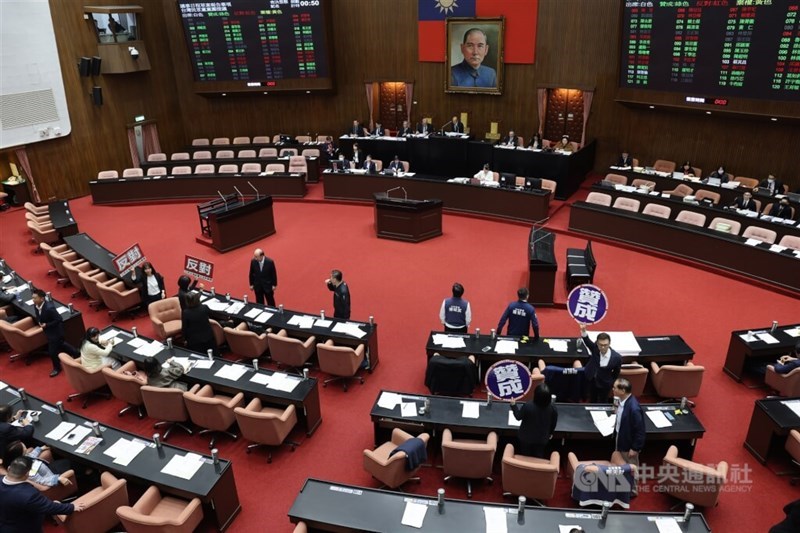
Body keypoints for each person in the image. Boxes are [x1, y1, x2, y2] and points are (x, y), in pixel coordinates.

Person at [0, 456, 84, 532]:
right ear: (27, 474)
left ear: (9, 468)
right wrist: (72, 507)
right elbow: (49, 507)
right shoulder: (28, 494)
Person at [32, 289, 78, 377]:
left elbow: (59, 319)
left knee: (52, 351)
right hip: (48, 332)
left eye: (35, 298)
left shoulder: (49, 308)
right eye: (32, 298)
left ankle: (57, 368)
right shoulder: (36, 305)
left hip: (56, 332)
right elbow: (38, 315)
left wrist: (47, 325)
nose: (33, 300)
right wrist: (39, 321)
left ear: (42, 299)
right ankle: (76, 353)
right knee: (62, 344)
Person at [612, 378, 645, 491]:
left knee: (631, 467)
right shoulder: (622, 401)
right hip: (620, 436)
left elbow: (640, 431)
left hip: (629, 444)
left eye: (615, 387)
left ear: (623, 390)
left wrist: (635, 448)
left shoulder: (634, 408)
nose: (613, 389)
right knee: (621, 464)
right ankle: (622, 486)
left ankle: (633, 490)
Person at [510, 383, 558, 458]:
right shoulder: (553, 408)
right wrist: (550, 433)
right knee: (538, 455)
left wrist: (513, 405)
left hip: (526, 438)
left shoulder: (528, 406)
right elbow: (553, 423)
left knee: (525, 455)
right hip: (542, 439)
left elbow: (518, 417)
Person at [580, 323, 622, 403]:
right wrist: (583, 330)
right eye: (600, 345)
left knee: (603, 401)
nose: (603, 347)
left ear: (609, 344)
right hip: (591, 379)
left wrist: (611, 382)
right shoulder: (595, 349)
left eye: (605, 345)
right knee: (592, 399)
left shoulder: (617, 358)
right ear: (597, 344)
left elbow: (616, 372)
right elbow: (587, 341)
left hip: (605, 383)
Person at [3, 441, 72, 489]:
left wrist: (40, 449)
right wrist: (58, 478)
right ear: (20, 455)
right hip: (51, 476)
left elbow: (31, 455)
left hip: (48, 468)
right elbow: (41, 481)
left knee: (65, 461)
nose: (27, 449)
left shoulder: (20, 460)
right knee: (70, 463)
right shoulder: (26, 469)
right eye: (25, 449)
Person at [181, 292, 217, 356]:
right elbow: (213, 315)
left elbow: (184, 327)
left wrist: (184, 339)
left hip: (194, 341)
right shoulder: (204, 307)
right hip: (208, 337)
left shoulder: (185, 312)